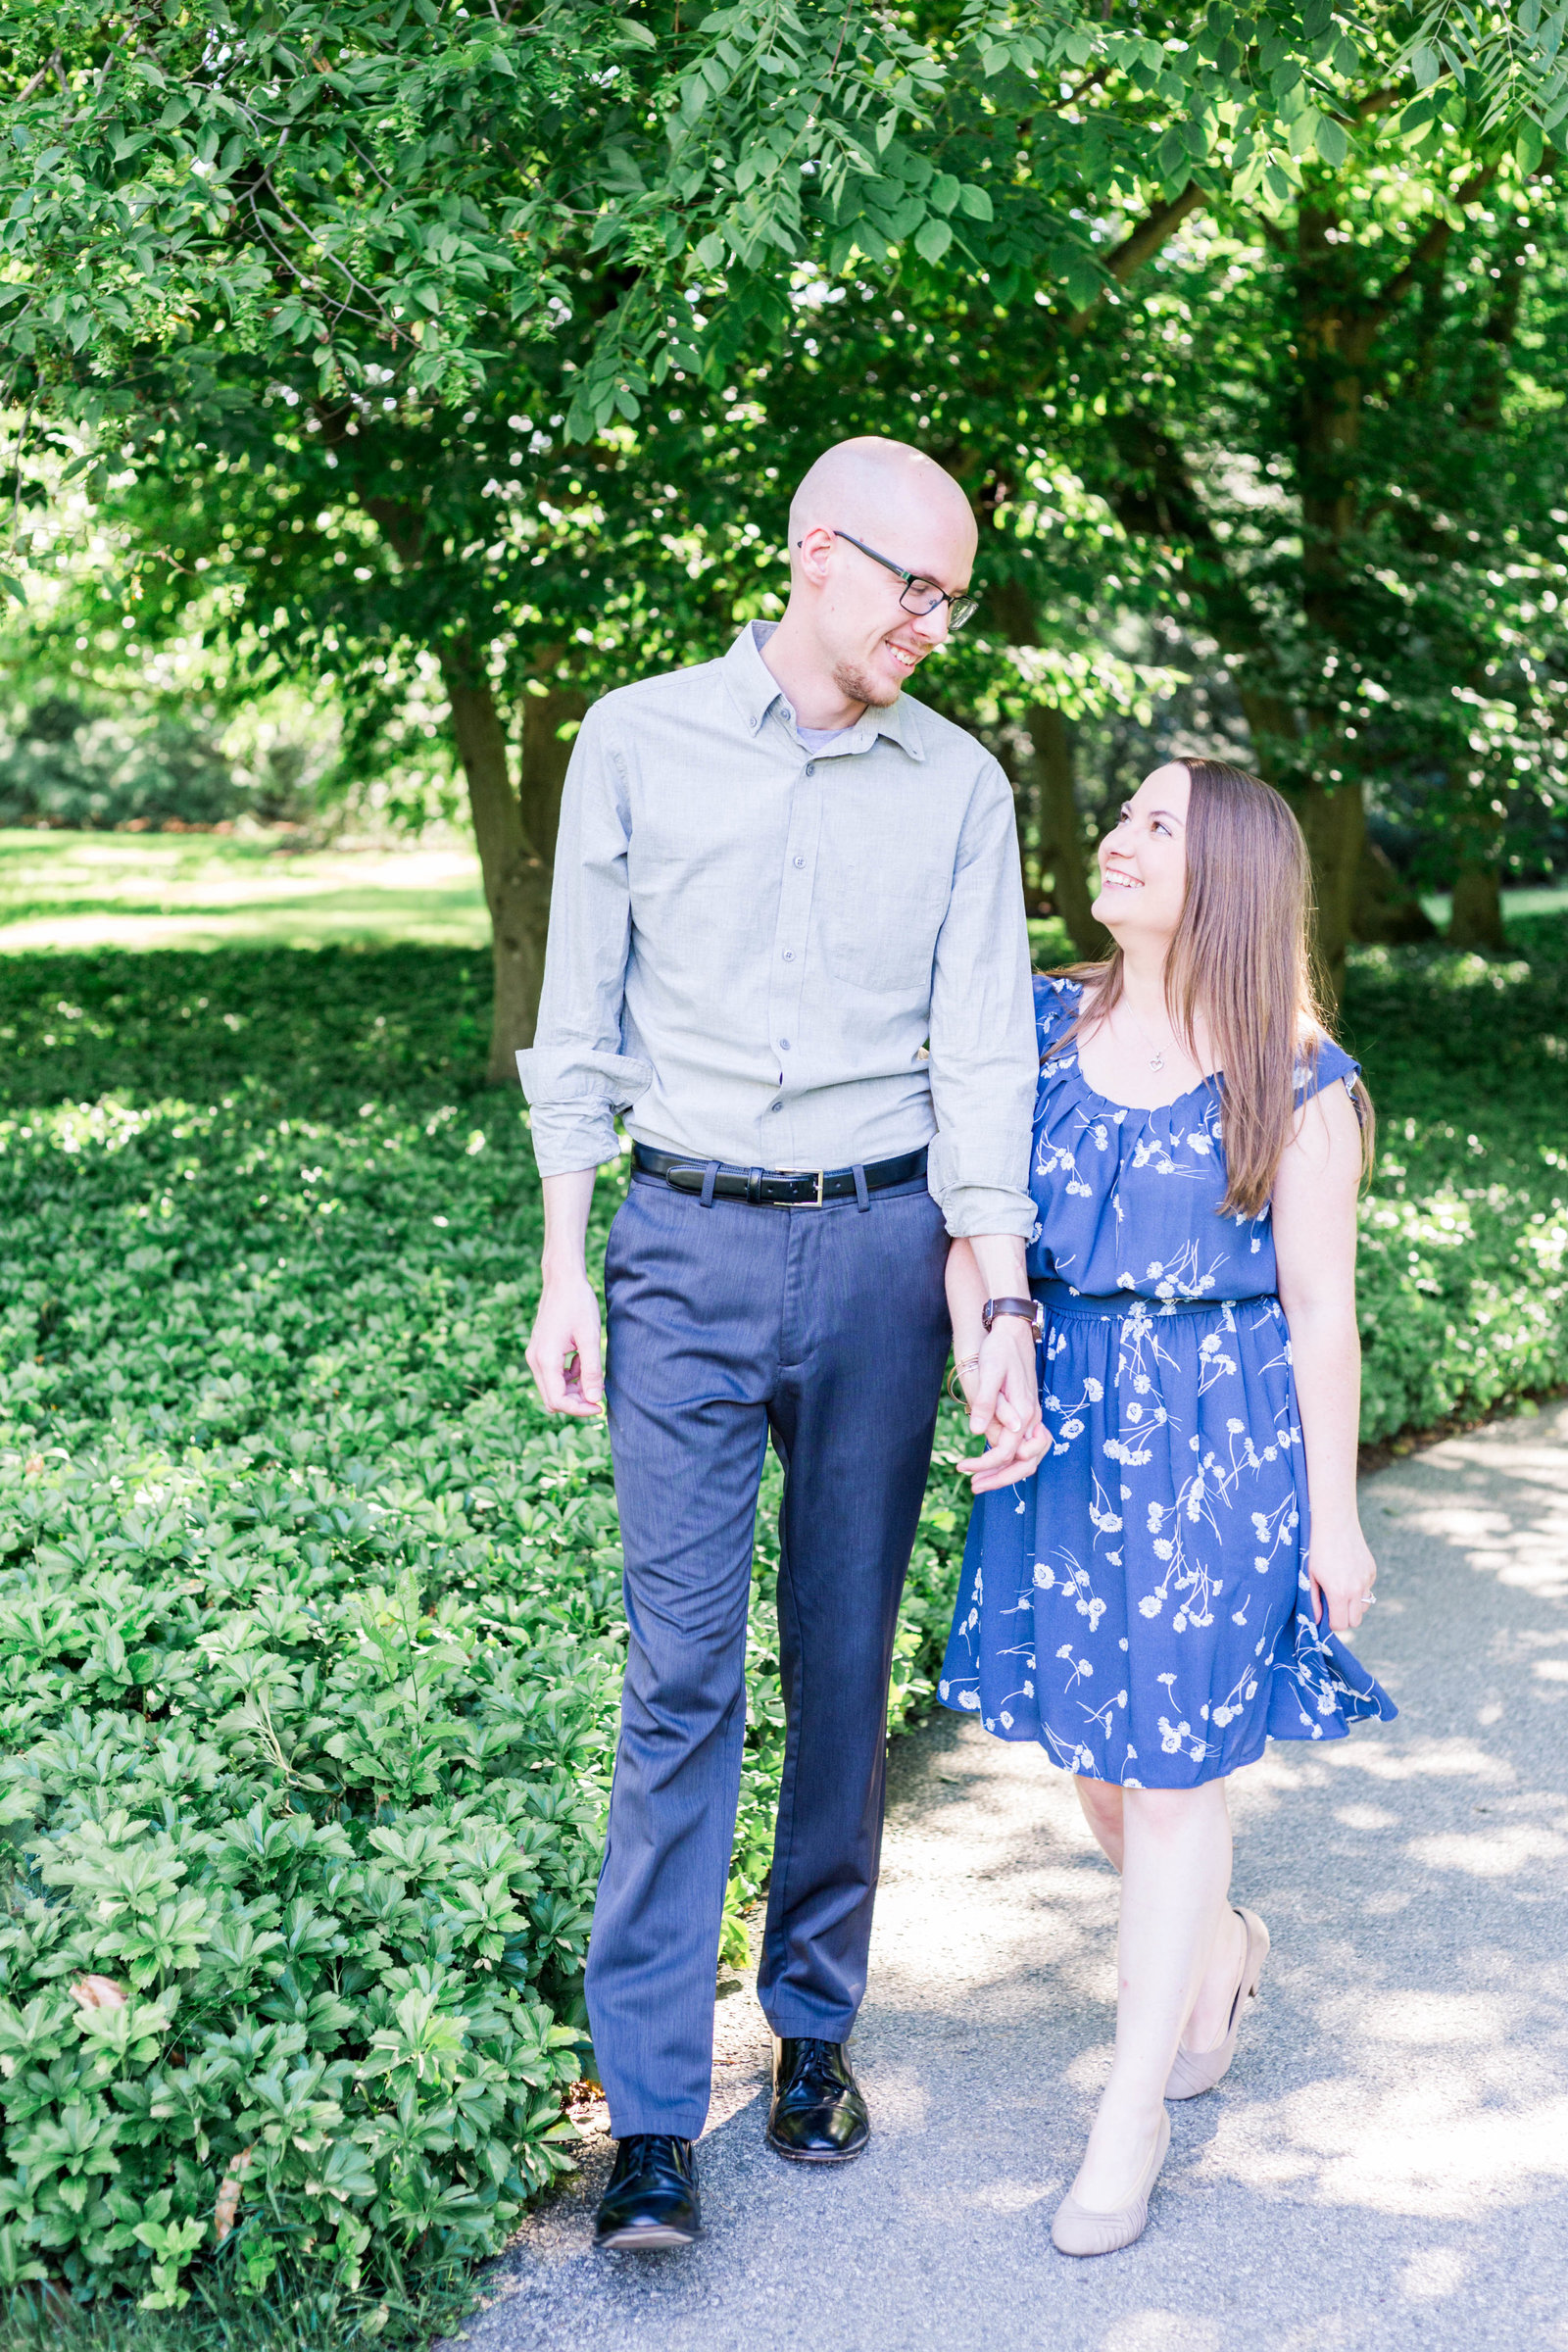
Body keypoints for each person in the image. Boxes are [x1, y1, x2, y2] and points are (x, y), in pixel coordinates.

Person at [518, 437, 1047, 2250]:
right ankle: (654, 2113)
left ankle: (811, 2030)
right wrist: (564, 1265)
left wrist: (996, 1304)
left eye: (953, 600)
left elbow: (987, 1055)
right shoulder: (638, 738)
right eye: (912, 586)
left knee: (840, 1662)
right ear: (816, 556)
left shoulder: (960, 784)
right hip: (678, 1243)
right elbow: (575, 1015)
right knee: (680, 1680)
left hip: (890, 1247)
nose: (934, 622)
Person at [940, 757, 1396, 2257]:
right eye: (1125, 813)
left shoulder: (1298, 1081)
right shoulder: (1034, 1025)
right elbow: (975, 1220)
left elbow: (1322, 1310)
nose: (1118, 839)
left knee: (1178, 1770)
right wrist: (988, 1346)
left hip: (1221, 1443)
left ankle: (1125, 2119)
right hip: (1065, 1433)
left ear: (1235, 885)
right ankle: (1225, 1946)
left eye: (1157, 827)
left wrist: (1335, 1520)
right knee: (1100, 1770)